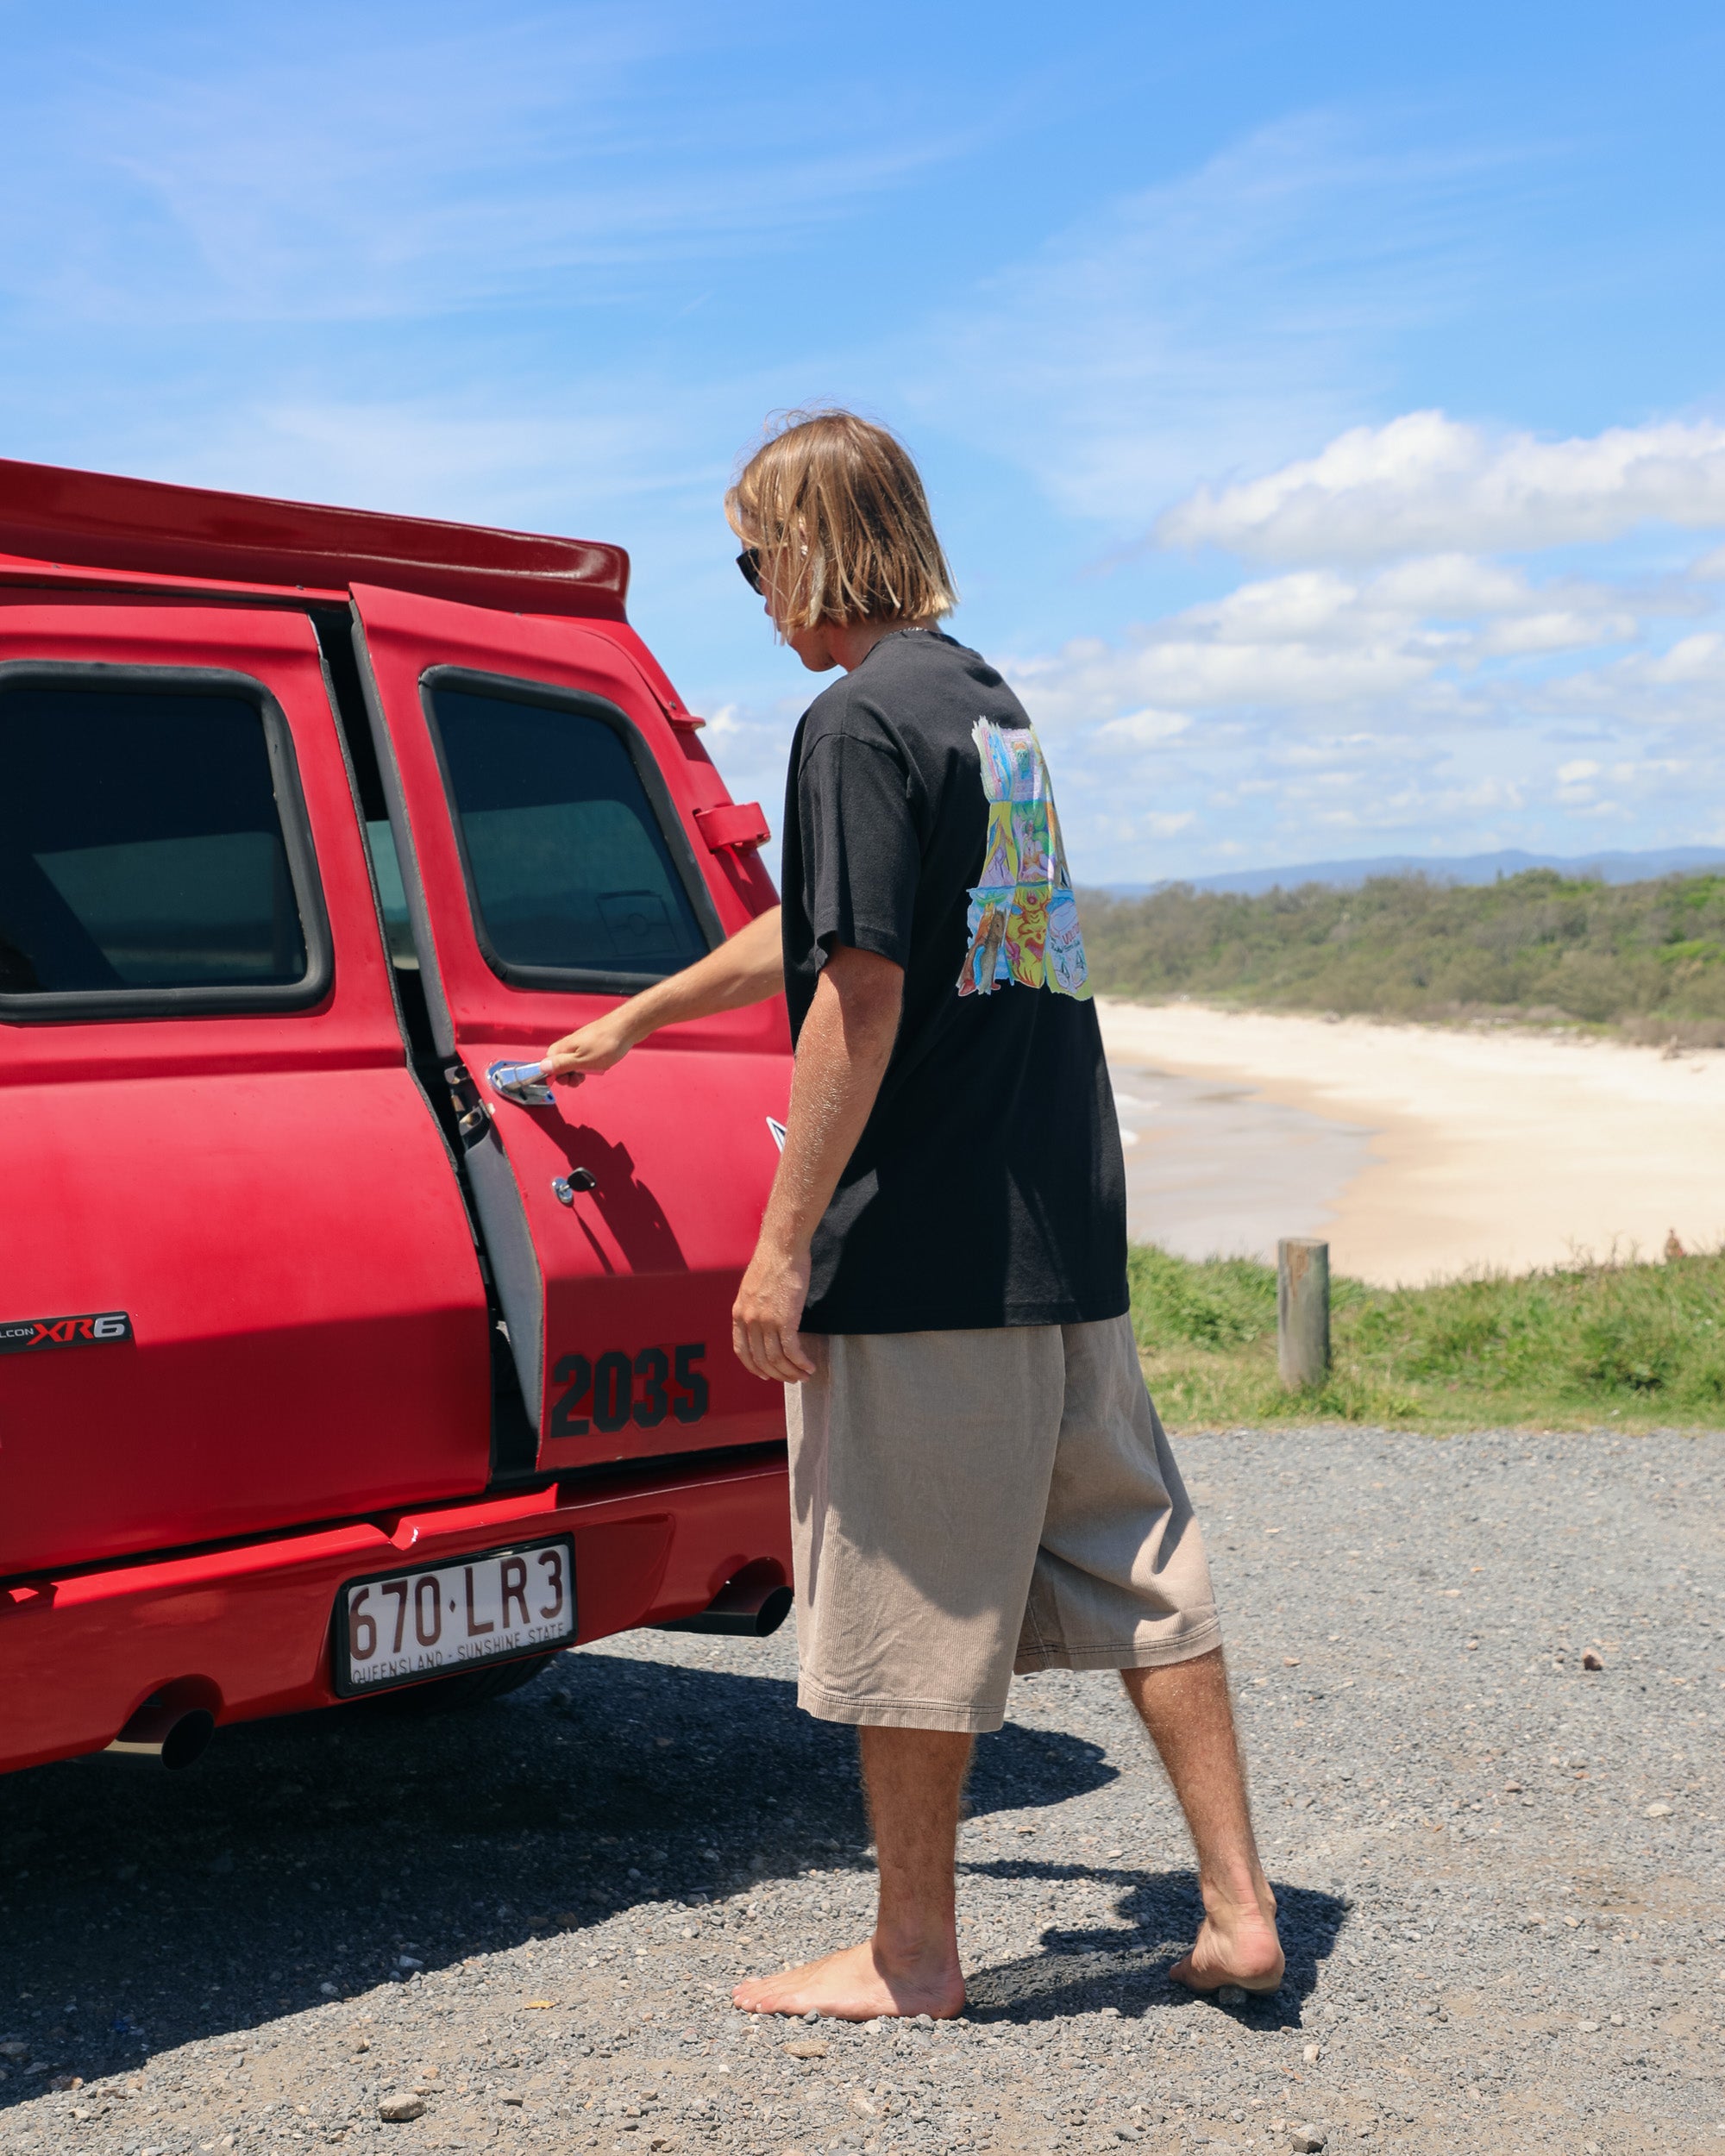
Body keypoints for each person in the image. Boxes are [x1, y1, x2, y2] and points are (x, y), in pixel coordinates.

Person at [543, 410, 1283, 2021]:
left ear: (815, 540)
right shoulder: (985, 709)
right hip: (1061, 1235)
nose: (749, 590)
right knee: (1141, 1561)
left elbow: (857, 991)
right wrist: (642, 1019)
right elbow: (831, 924)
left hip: (933, 1245)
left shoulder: (852, 722)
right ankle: (1240, 1909)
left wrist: (782, 1239)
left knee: (905, 1592)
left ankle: (911, 1955)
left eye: (754, 553)